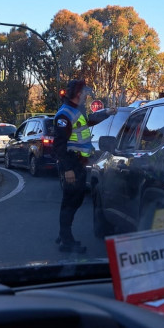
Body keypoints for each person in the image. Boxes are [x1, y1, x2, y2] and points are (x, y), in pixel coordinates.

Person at [53, 79, 117, 253]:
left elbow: (87, 122)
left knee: (75, 199)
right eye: (86, 93)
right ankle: (66, 241)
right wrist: (67, 169)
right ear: (78, 93)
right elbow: (59, 145)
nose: (87, 96)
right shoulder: (65, 114)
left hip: (78, 163)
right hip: (72, 163)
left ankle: (63, 233)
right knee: (71, 201)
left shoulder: (75, 111)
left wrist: (106, 113)